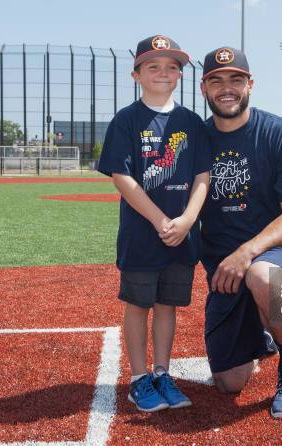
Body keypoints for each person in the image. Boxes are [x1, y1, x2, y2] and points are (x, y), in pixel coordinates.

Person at [199, 47, 282, 418]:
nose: (226, 88)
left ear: (250, 84)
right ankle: (262, 328)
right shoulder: (196, 140)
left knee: (263, 276)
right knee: (228, 382)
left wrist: (247, 251)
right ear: (204, 88)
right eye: (216, 81)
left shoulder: (280, 133)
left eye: (236, 79)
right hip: (224, 271)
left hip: (277, 253)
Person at [97, 35, 211, 412]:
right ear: (136, 75)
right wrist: (162, 219)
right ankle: (139, 377)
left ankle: (163, 372)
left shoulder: (191, 122)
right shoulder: (127, 120)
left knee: (167, 305)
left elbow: (202, 176)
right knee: (138, 303)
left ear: (180, 74)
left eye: (171, 66)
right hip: (142, 235)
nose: (163, 72)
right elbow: (122, 178)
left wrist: (188, 219)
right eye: (153, 66)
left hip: (181, 235)